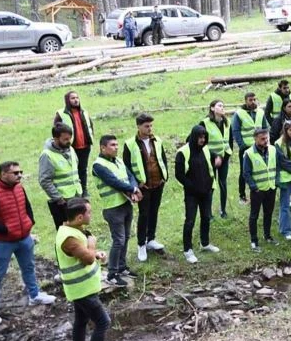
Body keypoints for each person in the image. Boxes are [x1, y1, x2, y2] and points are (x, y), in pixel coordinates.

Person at [0, 161, 56, 328]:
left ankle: (34, 295)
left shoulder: (19, 188)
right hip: (2, 243)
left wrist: (29, 222)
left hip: (24, 238)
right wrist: (6, 230)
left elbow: (27, 206)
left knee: (29, 267)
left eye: (20, 172)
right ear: (3, 174)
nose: (20, 175)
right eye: (15, 173)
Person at [55, 198, 119, 341]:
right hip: (81, 290)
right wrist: (92, 244)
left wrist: (95, 253)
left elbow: (84, 257)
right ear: (80, 216)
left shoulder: (72, 230)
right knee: (103, 322)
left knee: (81, 321)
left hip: (82, 288)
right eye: (89, 212)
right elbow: (87, 258)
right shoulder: (69, 238)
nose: (91, 215)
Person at [92, 136, 141, 286]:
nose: (116, 147)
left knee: (125, 237)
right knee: (118, 240)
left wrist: (134, 188)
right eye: (112, 145)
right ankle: (112, 274)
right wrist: (132, 189)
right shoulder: (98, 165)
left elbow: (130, 175)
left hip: (125, 203)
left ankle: (122, 266)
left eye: (117, 145)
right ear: (103, 148)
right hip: (112, 208)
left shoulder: (118, 161)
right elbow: (113, 181)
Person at [123, 113, 168, 262]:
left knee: (154, 211)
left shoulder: (157, 140)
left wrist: (164, 177)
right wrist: (136, 185)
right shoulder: (130, 144)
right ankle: (141, 244)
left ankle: (151, 239)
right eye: (146, 126)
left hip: (157, 183)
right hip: (143, 185)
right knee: (144, 214)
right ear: (138, 126)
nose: (149, 129)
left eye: (151, 126)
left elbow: (162, 159)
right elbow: (127, 167)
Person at [175, 125, 220, 263]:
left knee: (206, 217)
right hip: (192, 194)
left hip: (207, 191)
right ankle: (188, 250)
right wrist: (192, 187)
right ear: (194, 137)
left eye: (204, 137)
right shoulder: (183, 152)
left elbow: (213, 156)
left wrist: (218, 157)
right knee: (190, 221)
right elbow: (179, 175)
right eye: (200, 137)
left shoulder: (205, 149)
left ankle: (205, 243)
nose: (202, 140)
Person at [243, 129, 281, 252]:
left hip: (271, 187)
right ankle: (254, 241)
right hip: (258, 190)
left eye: (267, 138)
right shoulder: (248, 153)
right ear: (255, 139)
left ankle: (267, 236)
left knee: (268, 213)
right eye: (262, 139)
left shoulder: (273, 150)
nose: (266, 141)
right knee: (254, 215)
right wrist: (254, 187)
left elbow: (277, 167)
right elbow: (246, 173)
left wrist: (276, 181)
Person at [38, 123, 82, 230]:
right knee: (65, 233)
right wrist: (58, 198)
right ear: (56, 138)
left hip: (76, 196)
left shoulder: (70, 149)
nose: (69, 141)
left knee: (78, 230)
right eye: (65, 139)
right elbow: (44, 181)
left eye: (70, 138)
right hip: (61, 202)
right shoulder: (47, 155)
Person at [231, 92, 269, 204]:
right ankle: (242, 195)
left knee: (259, 170)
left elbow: (265, 128)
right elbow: (236, 130)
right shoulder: (239, 114)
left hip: (260, 146)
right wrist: (242, 145)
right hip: (246, 147)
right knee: (244, 172)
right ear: (245, 100)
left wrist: (266, 142)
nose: (253, 102)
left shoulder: (260, 112)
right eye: (250, 100)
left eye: (254, 99)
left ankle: (260, 192)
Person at [54, 91, 94, 197]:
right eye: (72, 98)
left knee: (83, 168)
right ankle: (74, 190)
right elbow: (56, 129)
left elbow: (90, 126)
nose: (76, 100)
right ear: (67, 100)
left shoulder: (84, 112)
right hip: (70, 147)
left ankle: (84, 190)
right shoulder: (61, 114)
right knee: (73, 170)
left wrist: (90, 139)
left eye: (77, 97)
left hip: (85, 146)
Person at [199, 100, 230, 219]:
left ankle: (223, 210)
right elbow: (200, 142)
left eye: (223, 105)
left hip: (224, 158)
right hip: (210, 159)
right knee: (210, 185)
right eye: (219, 105)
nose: (222, 108)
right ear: (212, 108)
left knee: (223, 184)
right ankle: (208, 213)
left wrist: (228, 153)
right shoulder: (204, 123)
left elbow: (229, 139)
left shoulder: (227, 122)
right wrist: (214, 156)